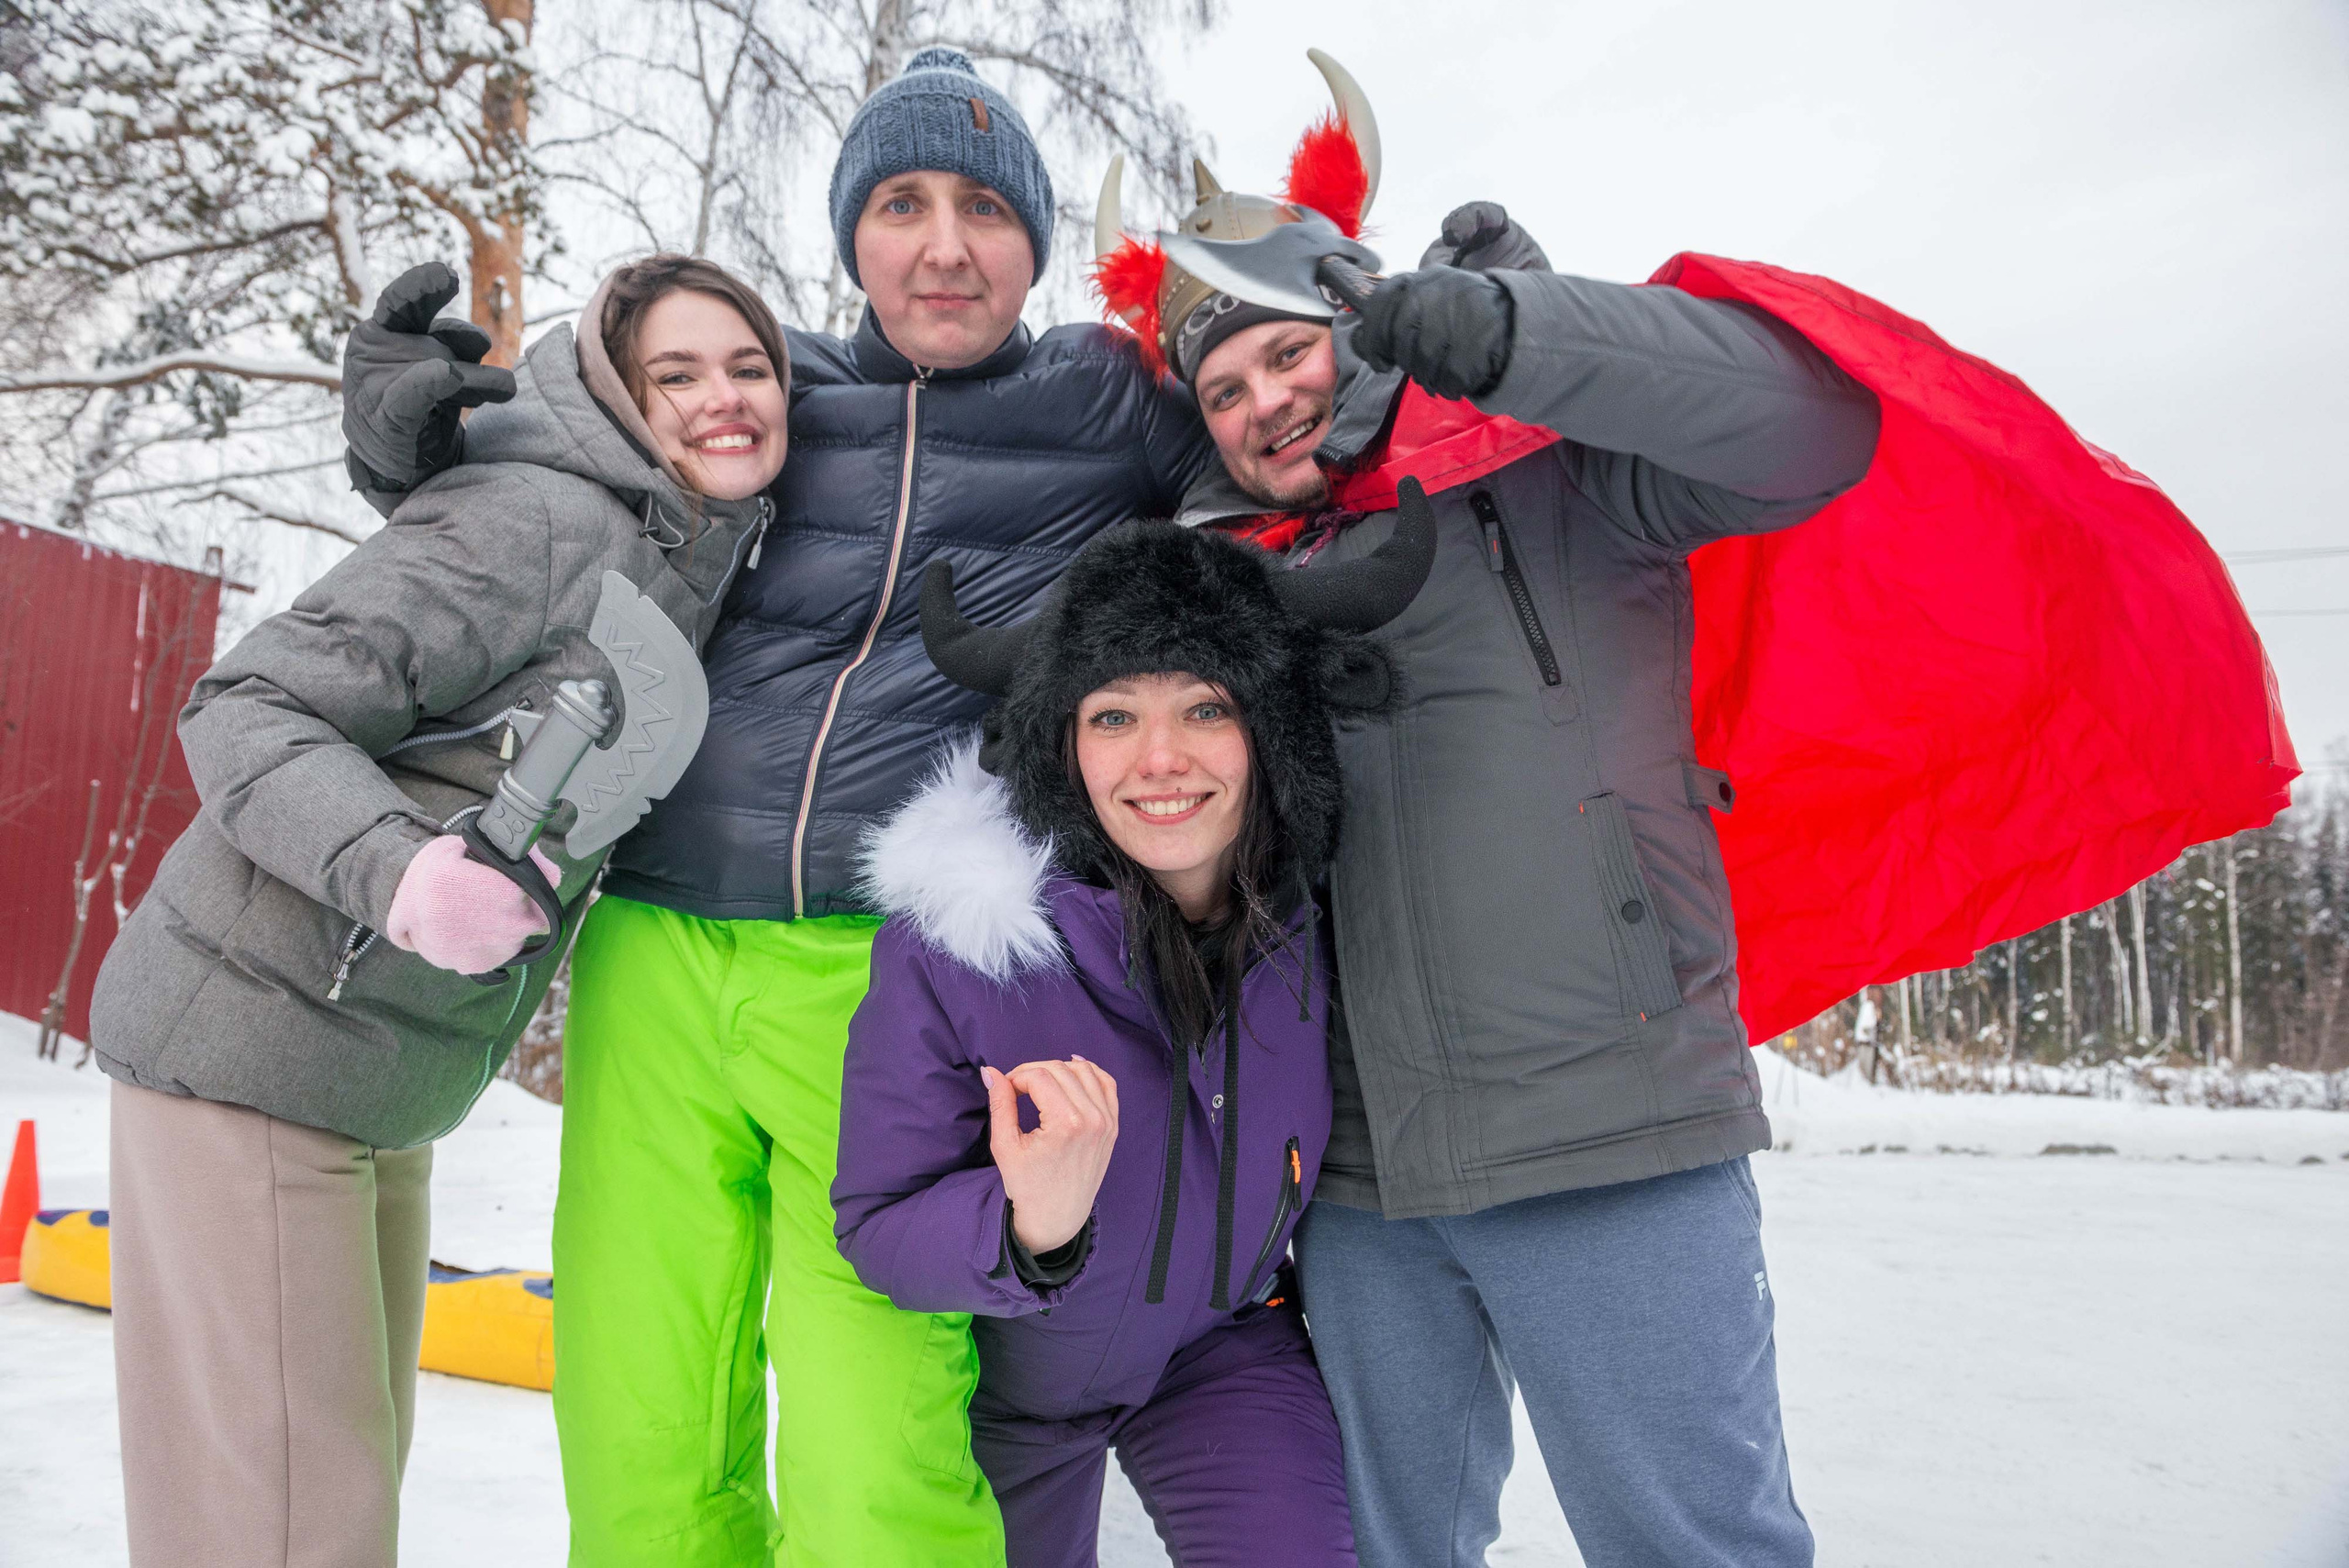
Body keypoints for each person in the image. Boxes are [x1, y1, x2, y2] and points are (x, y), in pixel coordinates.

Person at [336, 46, 1520, 1568]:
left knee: (874, 1432)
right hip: (655, 939)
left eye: (983, 206)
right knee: (641, 1395)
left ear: (1035, 241)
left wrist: (1462, 344)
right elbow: (555, 487)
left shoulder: (1110, 402)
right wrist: (416, 444)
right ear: (851, 235)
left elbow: (1282, 433)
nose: (944, 243)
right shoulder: (774, 389)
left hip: (883, 967)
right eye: (900, 202)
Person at [1090, 106, 1882, 1565]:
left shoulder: (1567, 472)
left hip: (1605, 1134)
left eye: (1289, 348)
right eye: (1222, 387)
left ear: (1365, 314)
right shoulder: (1212, 598)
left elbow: (1820, 429)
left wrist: (1533, 335)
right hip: (1356, 1190)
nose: (1268, 401)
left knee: (1692, 1544)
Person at [87, 252, 786, 1567]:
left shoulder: (688, 557)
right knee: (290, 1529)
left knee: (324, 1507)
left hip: (374, 1074)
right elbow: (247, 705)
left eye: (750, 369)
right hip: (253, 1045)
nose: (722, 399)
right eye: (676, 374)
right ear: (616, 399)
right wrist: (403, 874)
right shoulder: (539, 519)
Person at [832, 495, 1432, 1568]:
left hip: (1217, 1352)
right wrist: (1028, 1226)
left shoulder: (1302, 921)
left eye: (1205, 708)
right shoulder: (961, 948)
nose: (1159, 759)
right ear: (1063, 745)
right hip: (1009, 1391)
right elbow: (876, 1223)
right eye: (1113, 715)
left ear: (1272, 729)